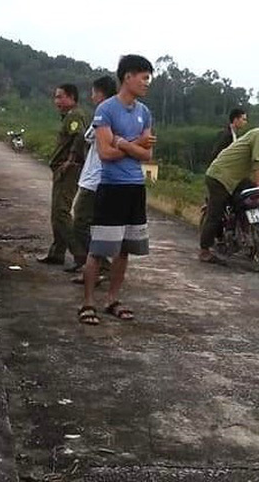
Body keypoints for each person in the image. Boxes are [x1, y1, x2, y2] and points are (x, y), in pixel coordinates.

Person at [79, 55, 155, 325]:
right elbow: (105, 152)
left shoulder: (144, 112)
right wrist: (133, 144)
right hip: (111, 187)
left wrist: (123, 142)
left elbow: (147, 155)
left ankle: (112, 298)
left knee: (124, 249)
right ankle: (88, 302)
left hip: (135, 187)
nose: (147, 83)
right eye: (143, 77)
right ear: (127, 77)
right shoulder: (106, 110)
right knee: (99, 248)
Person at [199, 112, 259, 264]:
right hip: (220, 176)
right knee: (215, 214)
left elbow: (255, 166)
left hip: (234, 178)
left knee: (246, 200)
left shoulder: (258, 135)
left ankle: (243, 230)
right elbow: (258, 162)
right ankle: (204, 251)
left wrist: (258, 188)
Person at [67, 75, 118, 274]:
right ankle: (95, 265)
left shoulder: (105, 113)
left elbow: (88, 136)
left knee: (80, 221)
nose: (92, 97)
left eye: (94, 92)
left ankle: (98, 265)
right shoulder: (116, 113)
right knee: (92, 223)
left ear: (101, 93)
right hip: (100, 177)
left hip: (95, 177)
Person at [37, 84, 88, 265]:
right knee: (56, 212)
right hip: (62, 169)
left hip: (69, 169)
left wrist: (70, 160)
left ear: (72, 98)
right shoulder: (68, 117)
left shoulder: (74, 116)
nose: (57, 101)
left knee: (61, 212)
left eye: (61, 97)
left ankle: (79, 254)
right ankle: (57, 252)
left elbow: (80, 136)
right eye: (56, 97)